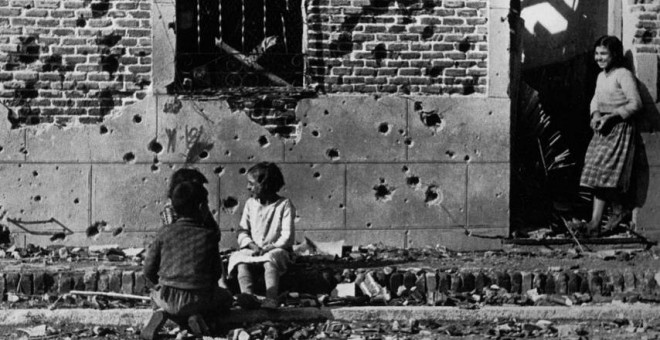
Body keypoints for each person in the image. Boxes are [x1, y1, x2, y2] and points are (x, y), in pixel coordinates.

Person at [142, 181, 232, 340]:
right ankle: (196, 317)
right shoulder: (208, 236)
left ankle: (161, 312)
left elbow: (148, 269)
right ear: (201, 208)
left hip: (166, 296)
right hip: (199, 299)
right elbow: (216, 273)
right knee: (226, 298)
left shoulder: (164, 232)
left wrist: (158, 284)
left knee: (153, 294)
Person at [579, 35, 643, 236]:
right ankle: (595, 222)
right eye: (597, 54)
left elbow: (636, 104)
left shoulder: (623, 74)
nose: (599, 58)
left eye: (604, 54)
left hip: (619, 128)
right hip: (603, 128)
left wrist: (613, 117)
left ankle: (614, 212)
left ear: (614, 54)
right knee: (597, 173)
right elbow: (595, 100)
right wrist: (596, 115)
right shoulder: (601, 76)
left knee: (607, 174)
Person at [227, 162, 295, 309]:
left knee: (270, 260)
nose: (248, 187)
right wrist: (252, 245)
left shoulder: (284, 205)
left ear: (265, 184)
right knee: (239, 259)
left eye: (251, 183)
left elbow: (287, 235)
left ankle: (271, 298)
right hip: (254, 248)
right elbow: (242, 230)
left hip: (276, 249)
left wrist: (270, 247)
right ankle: (248, 296)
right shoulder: (250, 204)